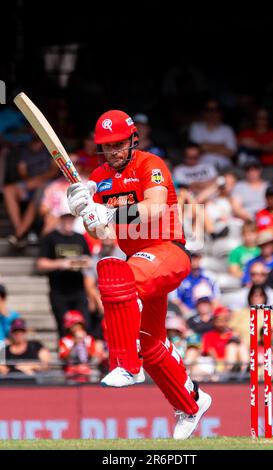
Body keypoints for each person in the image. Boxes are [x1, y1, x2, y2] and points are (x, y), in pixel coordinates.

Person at [66, 109, 212, 440]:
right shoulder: (99, 176)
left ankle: (126, 365)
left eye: (119, 144)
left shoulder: (150, 165)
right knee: (151, 344)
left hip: (169, 251)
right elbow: (101, 231)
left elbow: (154, 209)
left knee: (118, 274)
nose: (113, 152)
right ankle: (192, 402)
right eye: (107, 146)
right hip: (142, 261)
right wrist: (82, 210)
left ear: (133, 140)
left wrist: (107, 210)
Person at [36, 212, 92, 337]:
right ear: (60, 219)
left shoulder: (80, 237)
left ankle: (84, 354)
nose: (69, 221)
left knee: (84, 327)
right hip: (59, 291)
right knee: (64, 329)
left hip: (78, 290)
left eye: (71, 218)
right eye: (66, 218)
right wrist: (63, 263)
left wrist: (80, 262)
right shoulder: (50, 237)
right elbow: (40, 263)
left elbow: (89, 260)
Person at [3, 133, 59, 248]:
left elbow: (54, 171)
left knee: (38, 196)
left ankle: (19, 234)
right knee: (8, 190)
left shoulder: (50, 149)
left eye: (37, 140)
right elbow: (21, 170)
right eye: (33, 140)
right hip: (30, 184)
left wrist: (38, 181)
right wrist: (30, 182)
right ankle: (20, 230)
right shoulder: (25, 151)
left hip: (46, 185)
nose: (35, 143)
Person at [59, 310, 107, 383]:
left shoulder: (88, 339)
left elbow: (92, 356)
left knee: (94, 374)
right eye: (74, 325)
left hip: (88, 368)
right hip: (71, 369)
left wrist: (83, 342)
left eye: (79, 324)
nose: (77, 327)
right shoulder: (65, 341)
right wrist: (75, 344)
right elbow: (64, 357)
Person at [188, 99, 237, 170]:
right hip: (201, 169)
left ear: (220, 112)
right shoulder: (196, 127)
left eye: (215, 110)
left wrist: (205, 146)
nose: (212, 113)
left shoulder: (227, 129)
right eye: (208, 110)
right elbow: (195, 150)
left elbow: (231, 152)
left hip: (224, 168)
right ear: (204, 112)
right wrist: (221, 145)